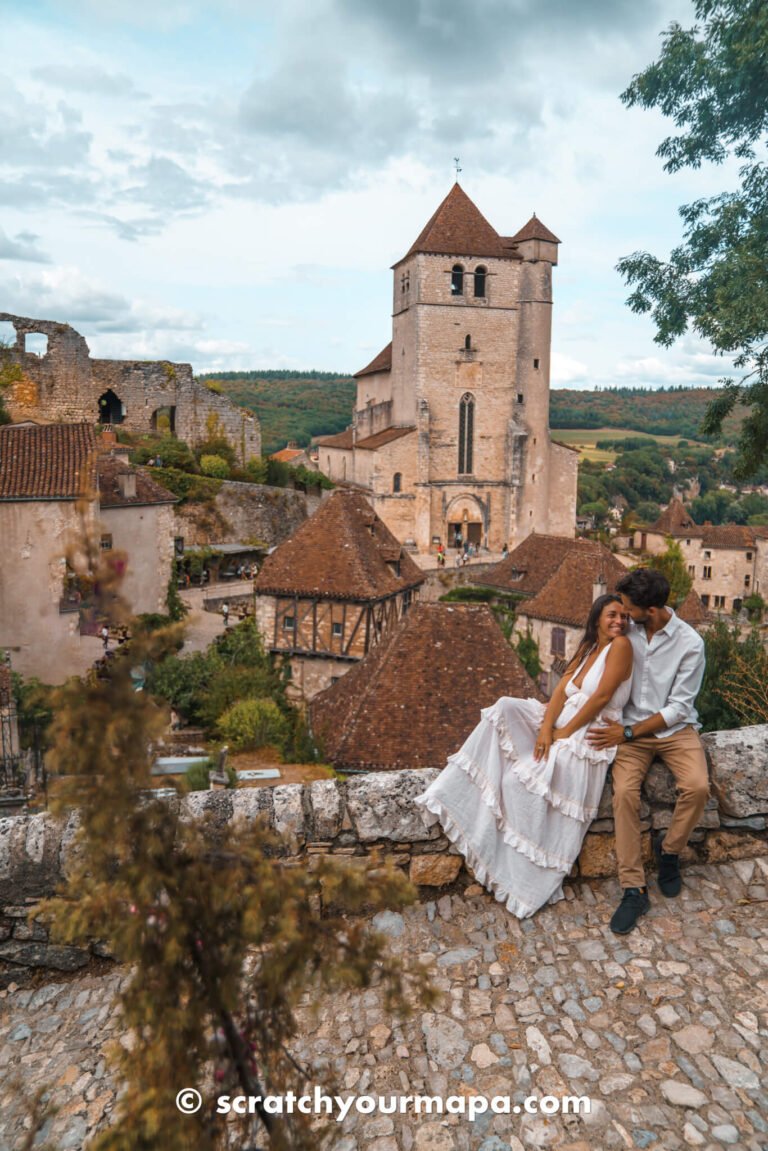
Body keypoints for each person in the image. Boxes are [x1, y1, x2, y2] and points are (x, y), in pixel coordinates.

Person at [415, 595, 633, 918]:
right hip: (559, 719)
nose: (620, 621)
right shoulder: (590, 647)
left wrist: (563, 732)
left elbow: (601, 697)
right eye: (613, 614)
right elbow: (560, 690)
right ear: (597, 617)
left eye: (625, 616)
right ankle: (448, 791)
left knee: (518, 782)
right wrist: (546, 728)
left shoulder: (621, 647)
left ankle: (518, 875)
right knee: (504, 707)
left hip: (587, 733)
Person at [587, 568, 708, 934]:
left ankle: (669, 852)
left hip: (673, 730)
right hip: (630, 732)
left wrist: (626, 732)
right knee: (624, 793)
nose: (622, 614)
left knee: (698, 786)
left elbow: (678, 708)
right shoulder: (626, 633)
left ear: (650, 609)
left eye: (627, 608)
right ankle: (633, 888)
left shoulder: (690, 644)